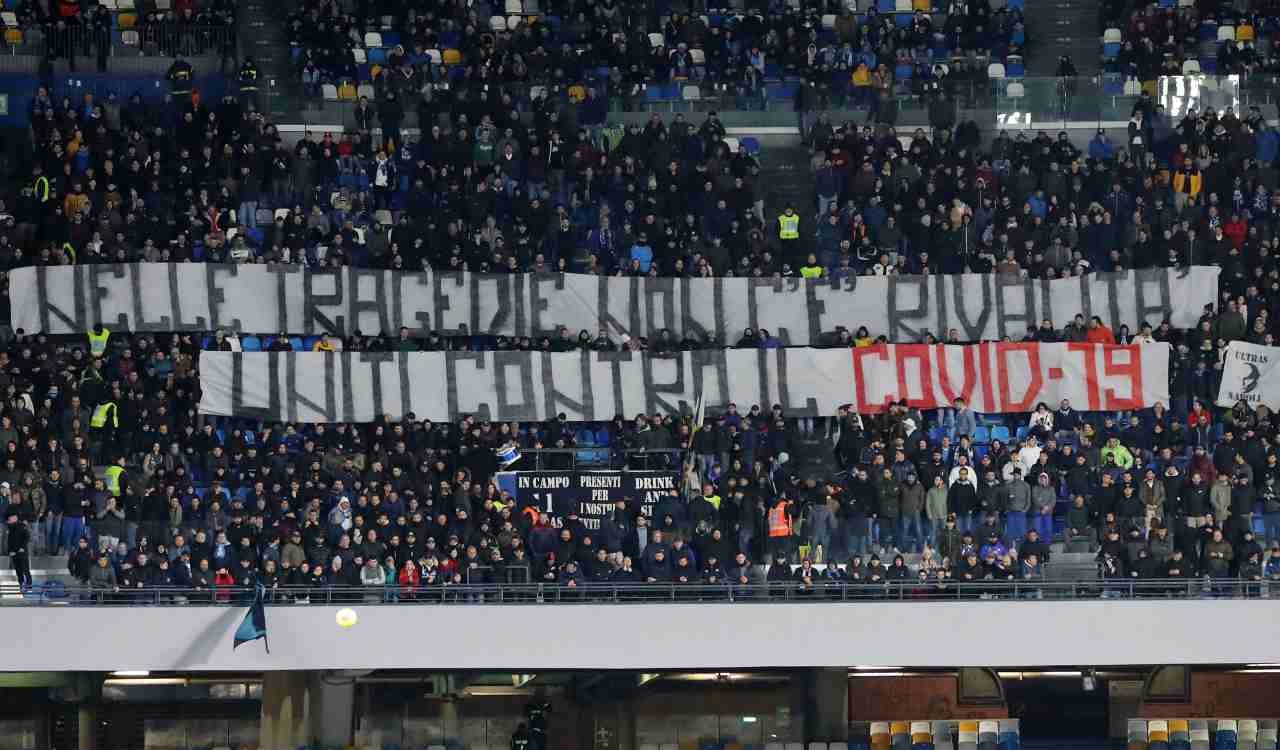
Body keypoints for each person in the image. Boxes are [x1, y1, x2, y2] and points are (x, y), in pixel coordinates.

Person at [6, 509, 30, 589]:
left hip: (22, 552)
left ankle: (29, 585)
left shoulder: (22, 526)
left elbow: (26, 537)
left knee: (25, 569)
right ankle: (21, 584)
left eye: (11, 517)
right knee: (18, 570)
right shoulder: (10, 528)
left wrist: (22, 547)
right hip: (14, 553)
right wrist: (10, 551)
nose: (9, 519)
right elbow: (9, 541)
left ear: (15, 518)